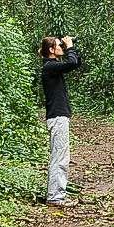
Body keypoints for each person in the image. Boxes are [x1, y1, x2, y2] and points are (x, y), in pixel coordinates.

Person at [38, 35, 82, 207]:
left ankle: (56, 194)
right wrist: (69, 47)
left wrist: (71, 47)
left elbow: (75, 63)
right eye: (59, 45)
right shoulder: (49, 67)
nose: (62, 47)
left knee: (61, 156)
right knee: (60, 157)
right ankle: (55, 197)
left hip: (58, 117)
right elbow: (71, 63)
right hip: (57, 118)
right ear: (51, 50)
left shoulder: (52, 66)